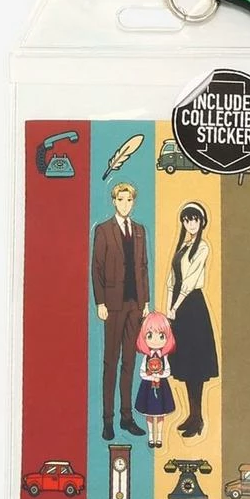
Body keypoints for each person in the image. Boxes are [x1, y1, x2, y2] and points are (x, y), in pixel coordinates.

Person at [91, 182, 149, 440]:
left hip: (135, 305)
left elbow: (143, 267)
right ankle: (108, 420)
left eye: (129, 200)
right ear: (114, 201)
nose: (125, 204)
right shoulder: (104, 230)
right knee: (110, 362)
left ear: (133, 202)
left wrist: (145, 302)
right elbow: (97, 268)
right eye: (121, 200)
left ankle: (127, 417)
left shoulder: (140, 231)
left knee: (129, 362)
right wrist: (100, 303)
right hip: (113, 305)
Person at [165, 201, 218, 437]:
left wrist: (175, 306)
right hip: (179, 308)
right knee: (186, 364)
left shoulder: (202, 247)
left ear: (202, 222)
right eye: (187, 220)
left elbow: (189, 282)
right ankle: (192, 415)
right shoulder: (183, 246)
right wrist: (169, 308)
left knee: (196, 365)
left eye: (194, 219)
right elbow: (172, 279)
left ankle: (198, 419)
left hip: (193, 307)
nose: (191, 224)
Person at [134, 311, 177, 448]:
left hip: (161, 387)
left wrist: (160, 376)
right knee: (149, 414)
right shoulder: (146, 357)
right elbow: (142, 372)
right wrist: (150, 376)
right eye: (150, 335)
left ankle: (159, 437)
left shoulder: (164, 357)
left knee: (160, 415)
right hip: (147, 387)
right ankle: (151, 436)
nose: (156, 340)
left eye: (161, 336)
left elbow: (168, 371)